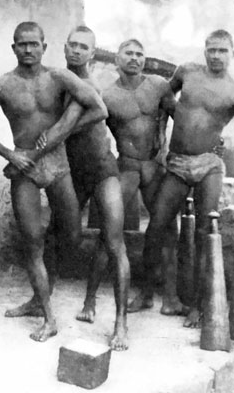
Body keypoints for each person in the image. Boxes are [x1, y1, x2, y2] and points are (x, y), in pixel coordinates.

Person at [0, 21, 107, 342]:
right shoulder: (1, 85)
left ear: (45, 47)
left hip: (58, 164)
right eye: (22, 44)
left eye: (34, 44)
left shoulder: (59, 78)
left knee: (71, 237)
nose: (28, 49)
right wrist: (9, 154)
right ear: (14, 48)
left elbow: (98, 108)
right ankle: (47, 315)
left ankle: (37, 298)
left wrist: (62, 133)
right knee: (32, 240)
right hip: (24, 169)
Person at [131, 29, 234, 327]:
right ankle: (146, 292)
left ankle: (199, 306)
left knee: (204, 234)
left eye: (222, 50)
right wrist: (161, 130)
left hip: (209, 164)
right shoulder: (186, 72)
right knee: (156, 226)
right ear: (204, 50)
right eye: (211, 49)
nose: (215, 55)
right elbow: (164, 97)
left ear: (233, 53)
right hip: (177, 162)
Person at [76, 38, 182, 323]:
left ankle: (162, 296)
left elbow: (178, 116)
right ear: (117, 60)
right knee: (108, 233)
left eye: (139, 54)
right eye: (129, 54)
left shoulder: (159, 85)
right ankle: (89, 302)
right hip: (126, 166)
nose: (135, 58)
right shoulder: (108, 95)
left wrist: (164, 138)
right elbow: (92, 130)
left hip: (153, 168)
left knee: (166, 230)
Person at [60, 25, 130, 350]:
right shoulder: (56, 83)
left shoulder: (90, 85)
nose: (75, 50)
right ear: (63, 48)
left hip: (103, 169)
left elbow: (99, 115)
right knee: (57, 235)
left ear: (92, 52)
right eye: (71, 44)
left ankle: (121, 323)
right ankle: (58, 301)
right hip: (73, 172)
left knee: (113, 242)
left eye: (82, 46)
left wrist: (67, 128)